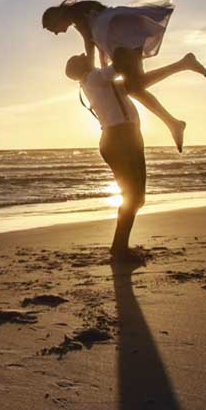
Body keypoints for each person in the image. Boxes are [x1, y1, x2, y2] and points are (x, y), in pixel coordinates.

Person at [43, 0, 206, 152]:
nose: (57, 33)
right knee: (134, 87)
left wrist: (92, 68)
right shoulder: (80, 15)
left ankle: (182, 71)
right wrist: (100, 67)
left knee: (134, 86)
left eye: (52, 29)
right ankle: (173, 122)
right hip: (121, 35)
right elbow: (96, 42)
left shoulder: (75, 14)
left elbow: (89, 42)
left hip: (120, 36)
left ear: (55, 18)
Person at [65, 53, 147, 262]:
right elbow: (120, 64)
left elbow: (120, 75)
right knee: (133, 196)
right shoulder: (93, 78)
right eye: (82, 56)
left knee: (137, 197)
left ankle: (119, 246)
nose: (86, 54)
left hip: (127, 136)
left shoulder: (97, 79)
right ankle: (119, 248)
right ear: (81, 67)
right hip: (120, 139)